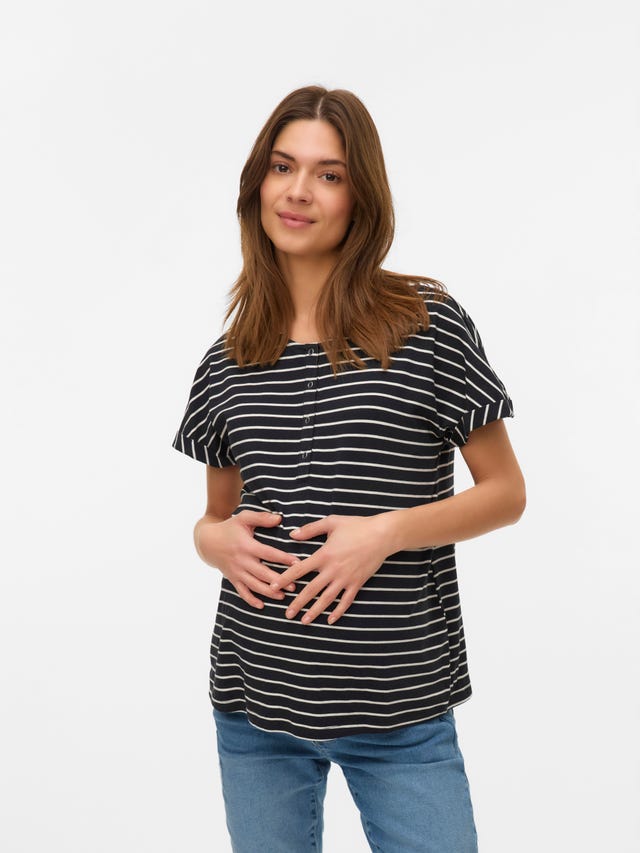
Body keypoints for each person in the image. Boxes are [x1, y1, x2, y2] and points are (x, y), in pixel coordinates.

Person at [172, 85, 526, 853]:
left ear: (360, 196)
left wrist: (385, 533)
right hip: (255, 703)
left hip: (398, 704)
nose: (299, 190)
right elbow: (217, 519)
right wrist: (209, 541)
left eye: (328, 174)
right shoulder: (228, 359)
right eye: (283, 167)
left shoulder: (425, 322)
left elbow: (506, 493)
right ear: (257, 185)